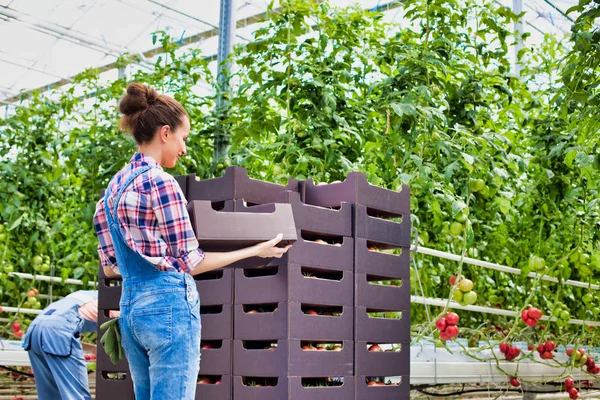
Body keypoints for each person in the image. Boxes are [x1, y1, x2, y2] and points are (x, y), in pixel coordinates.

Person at [93, 83, 291, 400]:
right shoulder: (162, 183)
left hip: (131, 311)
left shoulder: (113, 190)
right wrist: (257, 249)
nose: (184, 149)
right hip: (169, 309)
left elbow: (110, 268)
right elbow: (192, 263)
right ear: (165, 133)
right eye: (183, 138)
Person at [23, 290, 117, 400]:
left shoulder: (87, 295)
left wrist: (92, 349)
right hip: (59, 332)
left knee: (50, 395)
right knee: (76, 395)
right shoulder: (114, 304)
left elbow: (54, 330)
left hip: (34, 330)